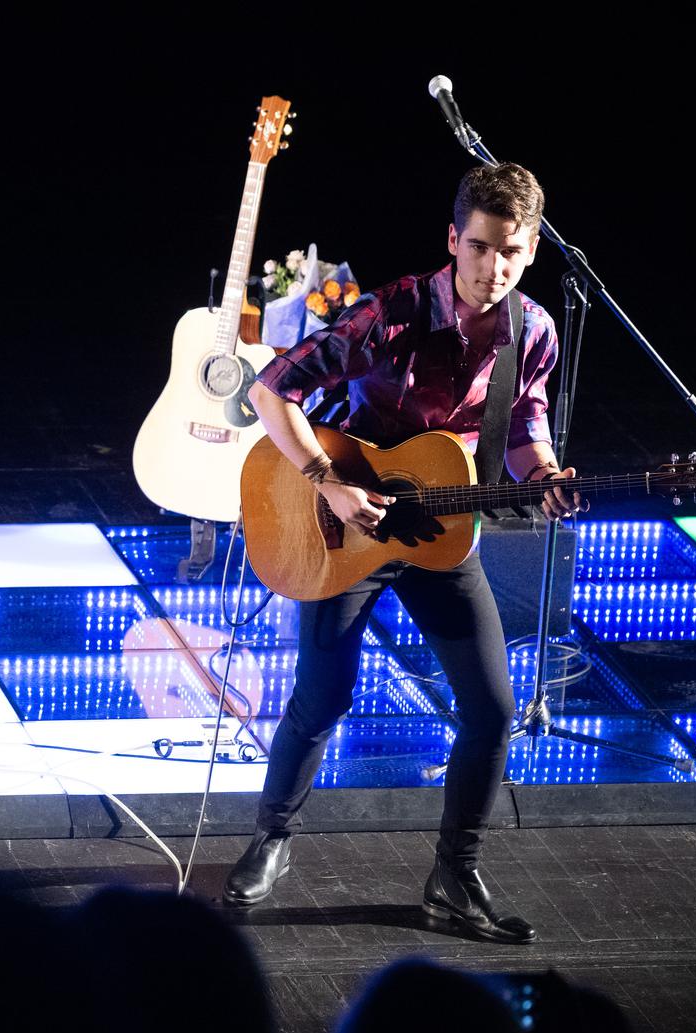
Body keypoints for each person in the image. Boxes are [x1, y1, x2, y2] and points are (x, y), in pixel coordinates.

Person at [224, 163, 586, 944]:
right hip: (345, 518)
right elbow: (269, 392)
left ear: (530, 251)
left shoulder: (533, 331)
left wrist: (545, 475)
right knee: (323, 696)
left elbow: (525, 424)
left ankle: (454, 878)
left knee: (491, 711)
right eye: (480, 248)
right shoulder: (390, 313)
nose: (493, 268)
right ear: (453, 240)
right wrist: (327, 483)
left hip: (437, 528)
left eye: (511, 253)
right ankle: (270, 839)